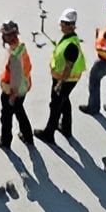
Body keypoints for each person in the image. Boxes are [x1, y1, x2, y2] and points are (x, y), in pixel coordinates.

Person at [35, 8, 86, 144]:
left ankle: (49, 133)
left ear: (71, 25)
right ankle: (66, 128)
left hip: (65, 79)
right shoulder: (70, 38)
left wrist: (60, 84)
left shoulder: (71, 46)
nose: (61, 26)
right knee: (64, 101)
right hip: (67, 79)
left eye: (63, 23)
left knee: (56, 105)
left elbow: (68, 67)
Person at [0, 20, 34, 148]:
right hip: (24, 87)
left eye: (4, 34)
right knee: (19, 111)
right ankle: (28, 136)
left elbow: (15, 77)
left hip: (12, 92)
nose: (2, 37)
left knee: (6, 117)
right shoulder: (20, 47)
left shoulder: (14, 55)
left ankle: (5, 140)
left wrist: (12, 97)